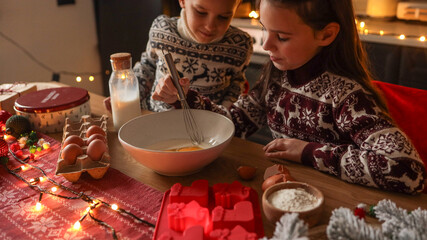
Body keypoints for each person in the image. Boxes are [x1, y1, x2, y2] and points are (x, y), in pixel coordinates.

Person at [152, 0, 426, 194]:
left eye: (281, 36)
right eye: (264, 29)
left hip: (340, 206)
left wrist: (307, 152)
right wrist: (184, 98)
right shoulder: (276, 77)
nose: (266, 45)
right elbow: (234, 122)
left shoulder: (348, 97)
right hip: (285, 198)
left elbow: (407, 170)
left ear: (326, 34)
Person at [104, 0, 253, 113]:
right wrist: (128, 97)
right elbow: (147, 66)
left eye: (223, 17)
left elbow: (237, 84)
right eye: (200, 12)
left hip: (205, 128)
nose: (210, 26)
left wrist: (222, 117)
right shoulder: (161, 29)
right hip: (155, 117)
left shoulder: (240, 45)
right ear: (182, 1)